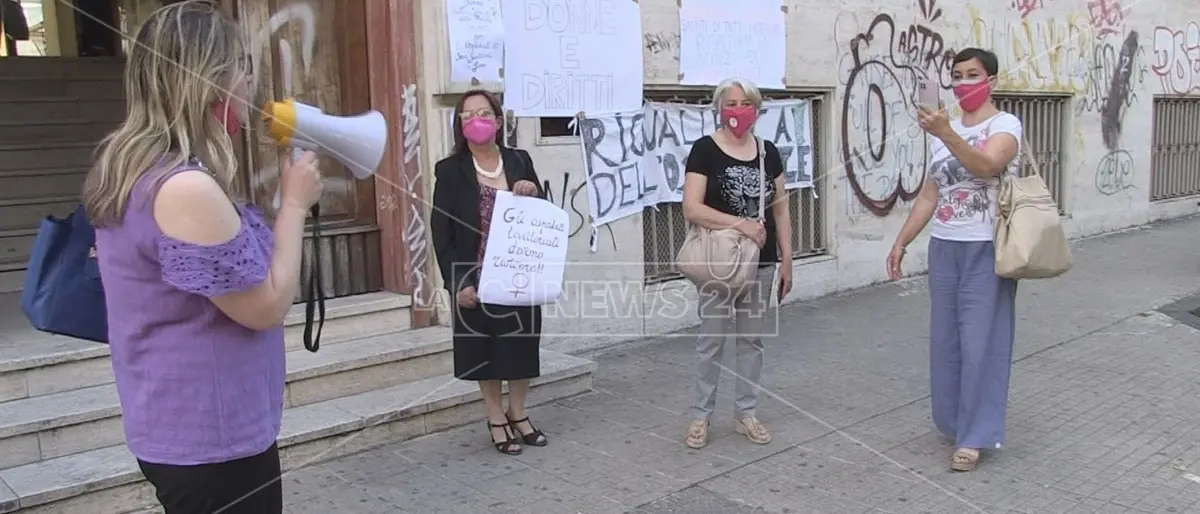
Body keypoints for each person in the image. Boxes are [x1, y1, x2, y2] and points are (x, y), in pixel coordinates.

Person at [82, 2, 322, 512]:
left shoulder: (134, 166)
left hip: (181, 424)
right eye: (241, 67)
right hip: (212, 436)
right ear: (211, 81)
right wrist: (295, 204)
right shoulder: (184, 187)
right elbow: (265, 307)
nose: (249, 82)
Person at [886, 47, 1023, 472]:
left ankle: (974, 436)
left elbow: (987, 165)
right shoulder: (945, 131)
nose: (963, 83)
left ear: (992, 81)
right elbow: (931, 194)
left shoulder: (1004, 125)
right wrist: (902, 240)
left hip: (987, 248)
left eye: (972, 74)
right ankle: (953, 421)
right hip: (945, 247)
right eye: (957, 75)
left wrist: (947, 133)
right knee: (946, 343)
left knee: (981, 343)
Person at [431, 89, 547, 455]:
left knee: (521, 348)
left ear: (498, 121)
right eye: (467, 115)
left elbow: (544, 215)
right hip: (476, 278)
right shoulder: (450, 171)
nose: (476, 120)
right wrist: (457, 283)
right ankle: (496, 417)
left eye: (483, 113)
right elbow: (442, 234)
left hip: (519, 273)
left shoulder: (519, 160)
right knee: (485, 352)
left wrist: (532, 191)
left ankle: (518, 412)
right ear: (459, 125)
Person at [680, 78, 793, 449]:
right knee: (711, 341)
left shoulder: (768, 152)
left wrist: (787, 259)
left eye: (745, 103)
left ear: (757, 110)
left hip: (761, 262)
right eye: (730, 103)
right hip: (719, 262)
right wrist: (740, 224)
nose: (738, 111)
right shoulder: (704, 150)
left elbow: (781, 209)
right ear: (719, 107)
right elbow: (692, 207)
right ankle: (701, 416)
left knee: (751, 340)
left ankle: (746, 413)